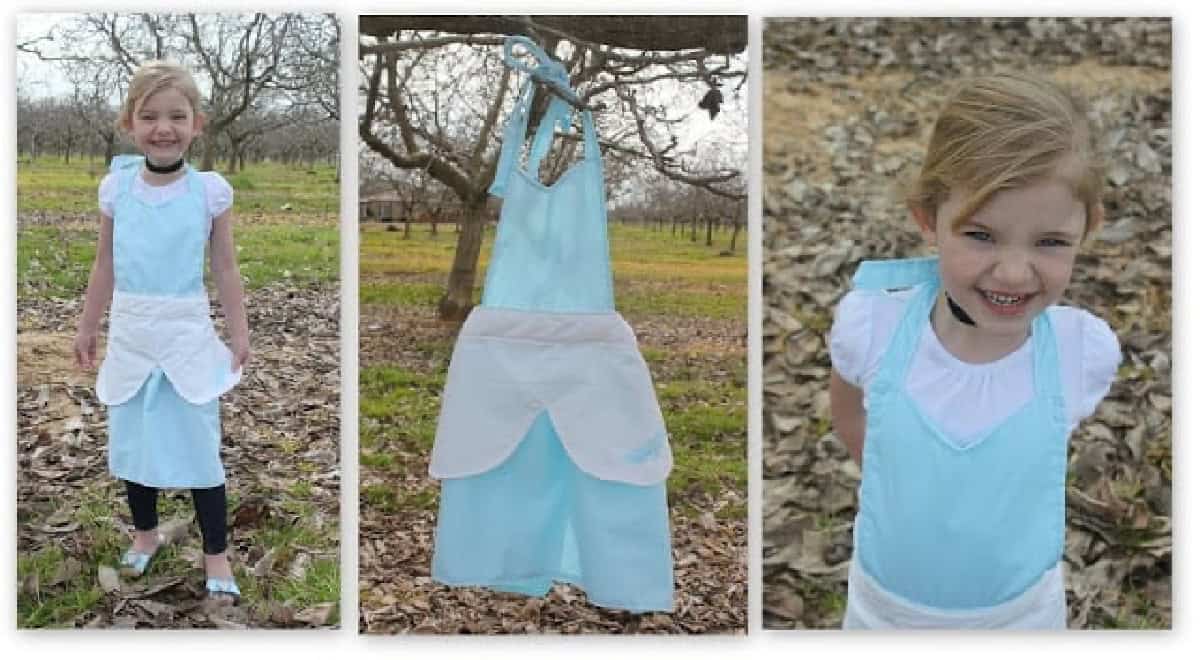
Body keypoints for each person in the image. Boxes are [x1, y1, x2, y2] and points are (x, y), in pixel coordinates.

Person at [828, 72, 1121, 628]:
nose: (1013, 272)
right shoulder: (871, 326)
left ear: (1088, 229)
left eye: (1050, 242)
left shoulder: (1081, 352)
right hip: (884, 616)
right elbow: (848, 417)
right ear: (929, 220)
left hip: (1023, 620)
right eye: (981, 235)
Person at [73, 60, 250, 602]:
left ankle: (215, 552)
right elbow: (104, 264)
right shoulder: (116, 189)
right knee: (135, 442)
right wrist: (88, 325)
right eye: (149, 116)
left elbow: (224, 267)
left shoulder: (209, 193)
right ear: (131, 122)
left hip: (185, 335)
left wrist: (238, 330)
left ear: (198, 123)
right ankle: (145, 532)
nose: (163, 127)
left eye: (177, 115)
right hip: (131, 335)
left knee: (199, 446)